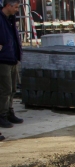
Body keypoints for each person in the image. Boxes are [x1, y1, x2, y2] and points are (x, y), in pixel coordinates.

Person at [0, 0, 23, 129]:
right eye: (15, 7)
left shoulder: (11, 19)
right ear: (8, 5)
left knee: (13, 89)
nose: (17, 10)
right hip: (3, 59)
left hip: (13, 57)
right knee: (5, 89)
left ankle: (9, 112)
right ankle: (2, 115)